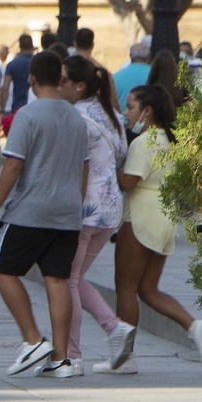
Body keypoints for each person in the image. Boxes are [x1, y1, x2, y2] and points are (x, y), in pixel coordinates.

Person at [0, 50, 89, 378]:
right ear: (60, 79)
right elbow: (84, 167)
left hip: (30, 210)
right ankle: (61, 358)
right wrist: (76, 204)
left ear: (30, 78)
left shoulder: (28, 115)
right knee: (57, 279)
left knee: (0, 267)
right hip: (67, 213)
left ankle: (31, 339)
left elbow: (13, 163)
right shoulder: (76, 117)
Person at [106, 85, 202, 372]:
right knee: (147, 289)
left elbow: (129, 182)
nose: (126, 113)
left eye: (130, 107)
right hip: (164, 217)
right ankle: (195, 327)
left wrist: (104, 165)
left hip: (140, 217)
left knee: (125, 288)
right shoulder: (167, 139)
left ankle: (125, 357)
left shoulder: (144, 142)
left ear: (147, 111)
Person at [60, 55, 129, 377]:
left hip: (84, 208)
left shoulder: (74, 117)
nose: (58, 86)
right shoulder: (113, 114)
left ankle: (73, 355)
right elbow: (120, 157)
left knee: (67, 280)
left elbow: (75, 163)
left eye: (63, 81)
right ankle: (112, 327)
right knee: (75, 277)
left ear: (80, 85)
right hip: (111, 208)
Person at [0, 34, 36, 123]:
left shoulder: (12, 64)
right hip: (36, 106)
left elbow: (5, 87)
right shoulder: (38, 62)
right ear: (31, 45)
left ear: (20, 46)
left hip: (18, 106)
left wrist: (2, 108)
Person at [111, 42, 151, 123]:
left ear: (130, 56)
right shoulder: (155, 74)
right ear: (149, 56)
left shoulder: (115, 77)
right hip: (149, 126)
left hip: (123, 125)